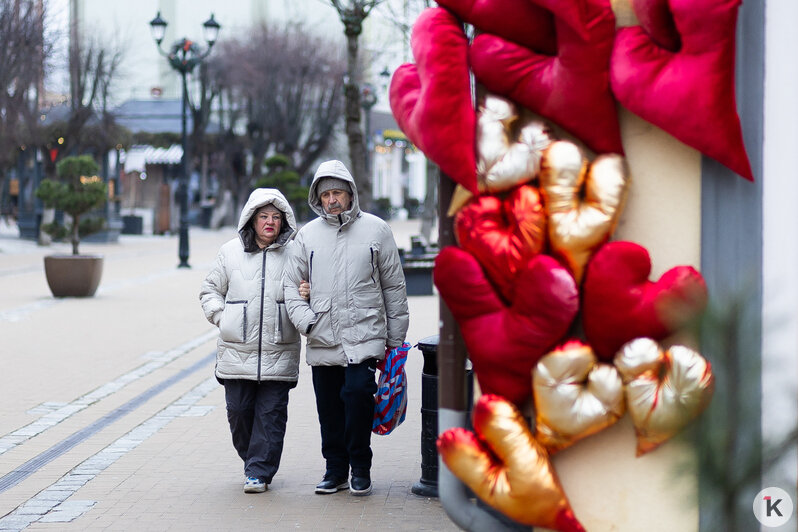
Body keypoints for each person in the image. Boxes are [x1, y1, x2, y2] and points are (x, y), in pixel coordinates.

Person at [284, 159, 409, 497]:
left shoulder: (377, 230)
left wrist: (395, 341)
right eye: (326, 195)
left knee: (357, 397)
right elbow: (290, 288)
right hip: (323, 335)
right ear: (318, 198)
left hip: (364, 335)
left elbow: (393, 287)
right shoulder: (306, 236)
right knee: (329, 409)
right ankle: (335, 469)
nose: (332, 200)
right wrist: (307, 321)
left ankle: (360, 466)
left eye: (338, 192)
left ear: (351, 194)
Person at [200, 188, 305, 494]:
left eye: (275, 217)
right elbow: (209, 291)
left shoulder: (295, 253)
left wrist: (306, 294)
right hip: (236, 350)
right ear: (252, 219)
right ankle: (255, 460)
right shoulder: (230, 252)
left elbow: (309, 288)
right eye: (263, 216)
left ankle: (259, 470)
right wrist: (223, 318)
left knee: (271, 415)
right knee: (239, 412)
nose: (270, 222)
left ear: (283, 221)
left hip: (280, 348)